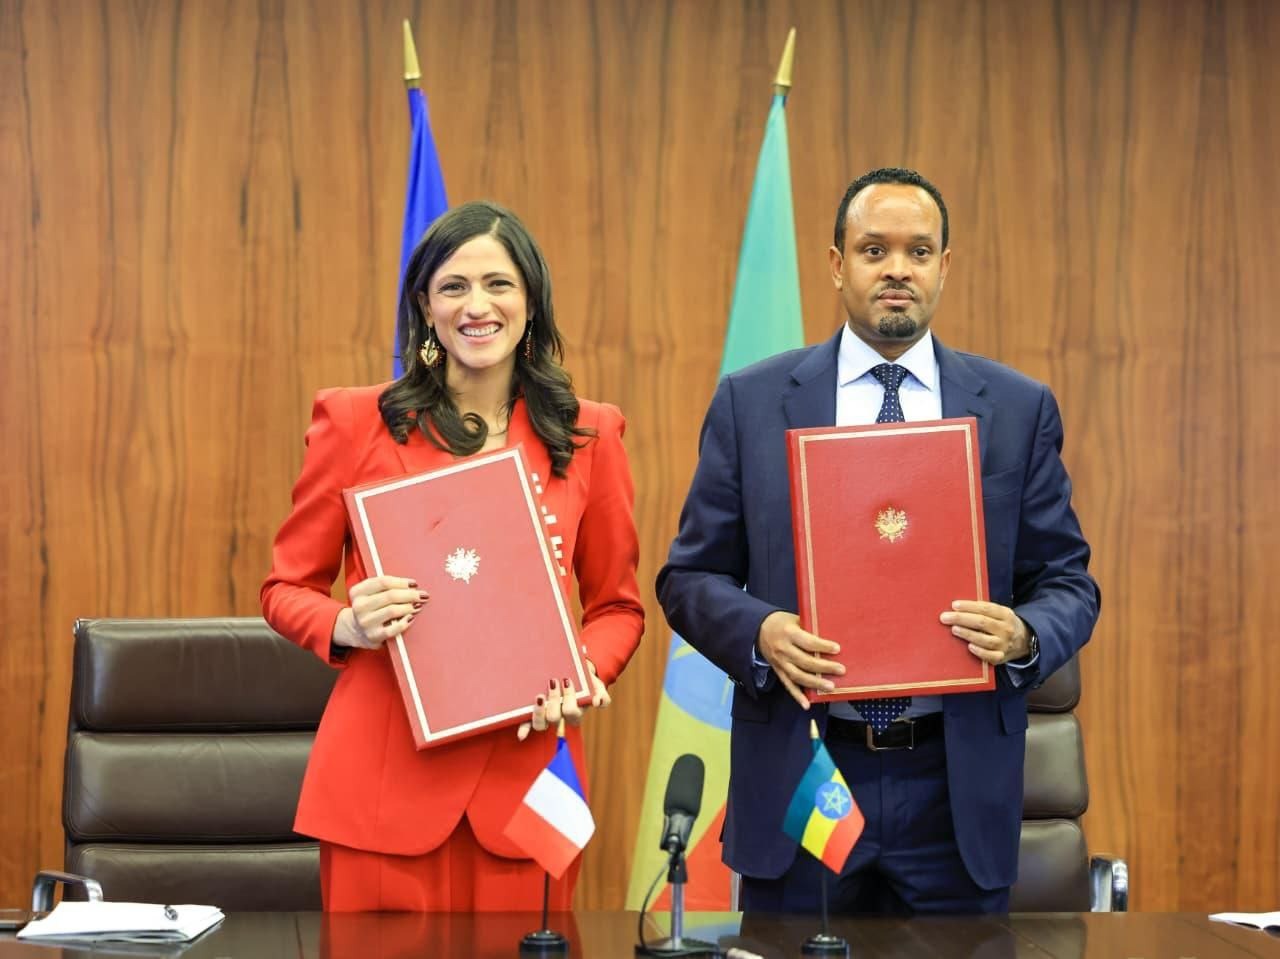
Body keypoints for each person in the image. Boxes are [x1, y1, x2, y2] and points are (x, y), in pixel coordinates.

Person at [657, 168, 1100, 914]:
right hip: (806, 774)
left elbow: (1070, 582)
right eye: (874, 249)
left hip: (953, 790)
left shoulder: (1018, 410)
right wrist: (760, 632)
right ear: (836, 264)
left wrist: (1024, 630)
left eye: (918, 251)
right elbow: (688, 577)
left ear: (944, 267)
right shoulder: (753, 401)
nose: (897, 268)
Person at [262, 200, 644, 911]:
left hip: (530, 790)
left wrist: (584, 666)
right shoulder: (356, 421)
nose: (478, 305)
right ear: (425, 307)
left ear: (531, 302)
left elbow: (618, 605)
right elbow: (285, 588)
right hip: (382, 789)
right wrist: (347, 623)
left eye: (499, 284)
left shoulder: (592, 432)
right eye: (454, 287)